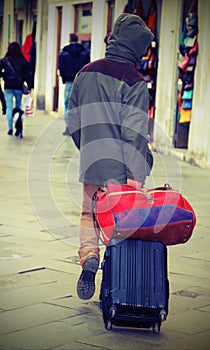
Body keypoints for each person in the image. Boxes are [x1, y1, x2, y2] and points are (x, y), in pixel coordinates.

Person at [68, 13, 154, 300]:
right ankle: (115, 275)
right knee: (120, 223)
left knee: (89, 215)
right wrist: (136, 178)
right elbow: (135, 134)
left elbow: (74, 122)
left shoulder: (85, 72)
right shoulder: (134, 81)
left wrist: (88, 150)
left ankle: (89, 255)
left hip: (91, 162)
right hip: (122, 169)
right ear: (137, 49)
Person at [58, 33, 90, 136]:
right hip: (80, 82)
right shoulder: (85, 52)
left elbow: (61, 68)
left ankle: (68, 127)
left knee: (67, 104)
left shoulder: (64, 52)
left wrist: (64, 78)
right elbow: (87, 68)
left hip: (69, 81)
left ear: (69, 39)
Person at [0, 42, 31, 135]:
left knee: (9, 107)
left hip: (8, 86)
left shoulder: (5, 60)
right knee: (18, 107)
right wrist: (29, 85)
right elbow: (27, 74)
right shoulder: (23, 60)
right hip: (18, 86)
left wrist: (4, 76)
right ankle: (18, 129)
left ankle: (10, 129)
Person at [22, 21, 36, 89]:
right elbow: (25, 49)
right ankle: (30, 86)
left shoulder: (30, 37)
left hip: (30, 59)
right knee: (30, 73)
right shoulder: (30, 37)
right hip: (29, 60)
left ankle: (30, 85)